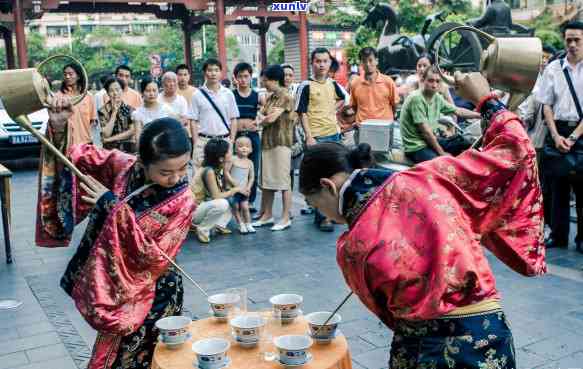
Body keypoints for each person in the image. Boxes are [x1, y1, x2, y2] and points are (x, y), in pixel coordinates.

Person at [299, 71, 546, 369]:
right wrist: (486, 101)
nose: (324, 214)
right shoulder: (430, 176)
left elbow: (388, 314)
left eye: (315, 204)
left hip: (426, 351)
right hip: (489, 334)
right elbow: (517, 152)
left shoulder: (352, 247)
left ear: (328, 186)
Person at [36, 93, 196, 369]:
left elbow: (153, 256)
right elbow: (77, 159)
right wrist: (60, 127)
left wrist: (111, 205)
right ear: (142, 162)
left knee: (148, 357)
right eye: (166, 172)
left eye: (183, 167)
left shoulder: (183, 201)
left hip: (155, 291)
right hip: (119, 287)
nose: (177, 178)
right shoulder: (123, 166)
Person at [535, 20, 583, 252]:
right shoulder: (554, 68)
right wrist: (555, 135)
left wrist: (573, 138)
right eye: (569, 40)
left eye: (577, 40)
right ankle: (558, 234)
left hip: (581, 132)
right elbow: (546, 105)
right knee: (556, 187)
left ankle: (582, 238)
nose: (572, 44)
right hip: (557, 131)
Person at [296, 47, 347, 232]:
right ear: (312, 63)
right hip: (316, 136)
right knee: (319, 178)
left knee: (335, 175)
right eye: (318, 61)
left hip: (333, 133)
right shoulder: (306, 86)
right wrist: (309, 136)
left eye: (325, 61)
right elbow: (301, 112)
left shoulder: (333, 84)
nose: (322, 64)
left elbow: (343, 99)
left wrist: (333, 110)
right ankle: (322, 216)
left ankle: (333, 212)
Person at [400, 66, 481, 164]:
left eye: (438, 81)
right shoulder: (416, 99)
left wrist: (480, 115)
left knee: (466, 142)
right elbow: (427, 133)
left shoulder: (436, 97)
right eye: (431, 81)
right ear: (423, 80)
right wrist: (442, 153)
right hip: (416, 146)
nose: (434, 85)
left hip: (430, 140)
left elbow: (458, 111)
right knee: (443, 164)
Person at [252, 65, 295, 231]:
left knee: (284, 182)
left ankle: (285, 217)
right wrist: (262, 119)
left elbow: (270, 118)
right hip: (268, 142)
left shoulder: (286, 97)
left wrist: (259, 122)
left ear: (273, 79)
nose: (263, 82)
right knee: (267, 180)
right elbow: (263, 114)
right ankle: (267, 215)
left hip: (281, 143)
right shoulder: (270, 98)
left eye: (265, 79)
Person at [191, 139, 245, 243]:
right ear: (221, 158)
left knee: (232, 198)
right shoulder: (209, 171)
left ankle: (218, 224)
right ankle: (202, 229)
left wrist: (236, 189)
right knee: (222, 203)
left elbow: (225, 189)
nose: (231, 152)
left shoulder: (216, 167)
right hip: (194, 211)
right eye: (229, 151)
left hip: (203, 205)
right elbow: (216, 196)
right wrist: (235, 189)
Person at [191, 58, 240, 167]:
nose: (213, 73)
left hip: (224, 140)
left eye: (216, 70)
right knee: (200, 176)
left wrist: (231, 141)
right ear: (204, 72)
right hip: (204, 141)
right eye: (210, 70)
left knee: (224, 177)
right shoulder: (197, 94)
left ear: (221, 73)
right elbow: (193, 121)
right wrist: (196, 142)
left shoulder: (228, 94)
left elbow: (233, 119)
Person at [233, 62, 264, 213]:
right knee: (235, 169)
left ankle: (250, 201)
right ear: (236, 78)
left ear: (251, 77)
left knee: (253, 168)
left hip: (252, 136)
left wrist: (259, 121)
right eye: (240, 76)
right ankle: (236, 200)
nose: (243, 79)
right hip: (236, 136)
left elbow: (267, 111)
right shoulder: (231, 95)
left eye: (246, 76)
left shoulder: (257, 95)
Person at [349, 47, 400, 138]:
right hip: (362, 129)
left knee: (384, 152)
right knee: (362, 152)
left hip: (384, 129)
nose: (368, 64)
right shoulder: (355, 83)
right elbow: (354, 106)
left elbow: (394, 105)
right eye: (364, 61)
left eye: (371, 60)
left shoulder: (388, 82)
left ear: (376, 61)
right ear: (361, 63)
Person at [56, 63, 98, 148]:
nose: (67, 77)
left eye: (70, 74)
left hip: (86, 144)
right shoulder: (58, 96)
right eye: (65, 74)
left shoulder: (88, 96)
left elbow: (92, 122)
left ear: (78, 76)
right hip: (66, 145)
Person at [225, 136, 256, 234]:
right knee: (235, 207)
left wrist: (248, 187)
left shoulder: (250, 163)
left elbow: (251, 177)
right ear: (235, 148)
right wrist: (235, 185)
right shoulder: (232, 160)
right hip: (233, 190)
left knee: (245, 207)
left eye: (247, 146)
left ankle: (248, 223)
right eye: (240, 146)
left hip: (244, 190)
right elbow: (226, 172)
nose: (244, 148)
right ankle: (240, 224)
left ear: (251, 149)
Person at [98, 77, 137, 153]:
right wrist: (114, 112)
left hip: (128, 150)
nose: (115, 93)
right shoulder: (103, 111)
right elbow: (106, 134)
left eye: (117, 89)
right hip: (110, 152)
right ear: (107, 93)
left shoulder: (129, 109)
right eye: (111, 91)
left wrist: (110, 139)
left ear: (122, 90)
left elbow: (132, 131)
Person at [132, 78, 174, 142]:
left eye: (154, 90)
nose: (151, 94)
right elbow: (138, 138)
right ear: (142, 92)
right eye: (148, 91)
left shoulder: (167, 109)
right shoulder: (137, 113)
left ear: (158, 91)